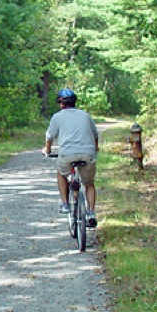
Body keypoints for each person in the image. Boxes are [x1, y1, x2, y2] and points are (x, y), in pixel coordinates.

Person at [42, 88, 99, 227]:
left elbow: (49, 136)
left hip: (67, 154)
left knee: (61, 173)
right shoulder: (85, 115)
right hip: (87, 153)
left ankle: (65, 203)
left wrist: (47, 150)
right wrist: (95, 148)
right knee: (89, 183)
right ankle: (91, 213)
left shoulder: (57, 117)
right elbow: (95, 134)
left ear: (61, 103)